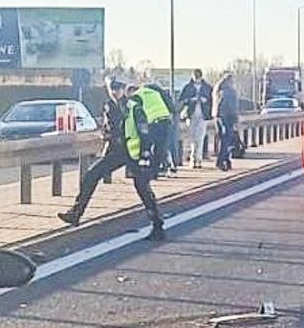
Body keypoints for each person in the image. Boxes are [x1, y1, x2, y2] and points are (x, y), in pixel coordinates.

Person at [59, 78, 165, 240]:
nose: (114, 91)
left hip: (132, 152)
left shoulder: (132, 106)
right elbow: (109, 128)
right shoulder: (109, 106)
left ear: (124, 89)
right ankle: (75, 213)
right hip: (116, 151)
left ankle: (157, 225)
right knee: (91, 175)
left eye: (118, 88)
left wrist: (145, 154)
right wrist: (106, 135)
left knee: (141, 186)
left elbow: (143, 131)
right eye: (112, 88)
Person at [179, 69, 214, 168]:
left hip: (203, 114)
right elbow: (181, 100)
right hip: (190, 114)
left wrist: (205, 100)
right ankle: (193, 158)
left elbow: (212, 100)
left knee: (200, 137)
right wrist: (190, 100)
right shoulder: (188, 87)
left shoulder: (207, 87)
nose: (197, 78)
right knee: (191, 137)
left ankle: (197, 159)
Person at [140, 82, 176, 177]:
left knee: (150, 145)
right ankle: (159, 169)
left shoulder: (139, 93)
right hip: (165, 120)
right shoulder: (160, 93)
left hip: (152, 121)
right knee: (162, 147)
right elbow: (172, 107)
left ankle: (152, 170)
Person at [213, 72, 241, 171]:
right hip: (227, 117)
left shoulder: (217, 89)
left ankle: (226, 160)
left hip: (217, 117)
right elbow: (232, 107)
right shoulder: (230, 91)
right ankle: (220, 161)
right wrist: (236, 119)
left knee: (222, 139)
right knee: (227, 140)